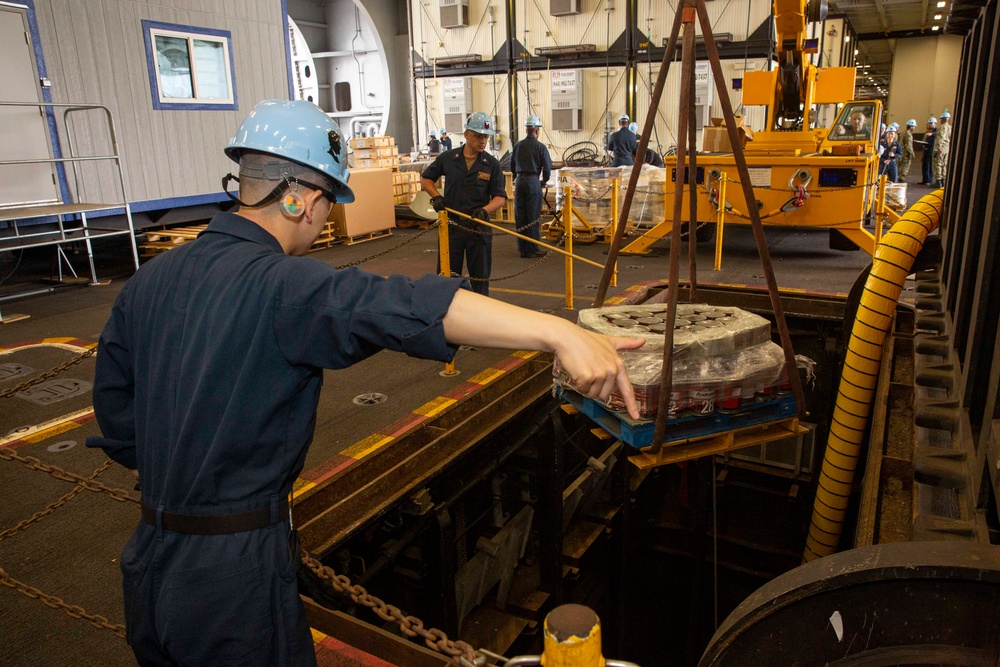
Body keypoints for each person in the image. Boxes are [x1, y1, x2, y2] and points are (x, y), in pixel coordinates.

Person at [86, 99, 642, 667]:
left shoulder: (146, 283)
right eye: (329, 203)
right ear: (302, 196)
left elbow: (121, 425)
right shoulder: (284, 285)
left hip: (151, 566)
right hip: (234, 582)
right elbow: (397, 305)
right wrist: (559, 333)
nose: (324, 220)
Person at [421, 111, 507, 296]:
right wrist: (436, 196)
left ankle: (480, 319)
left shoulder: (491, 164)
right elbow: (426, 178)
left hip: (478, 227)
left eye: (485, 137)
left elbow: (500, 197)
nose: (483, 141)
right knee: (447, 278)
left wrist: (485, 210)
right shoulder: (449, 159)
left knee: (480, 279)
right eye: (478, 136)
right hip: (452, 226)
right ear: (466, 134)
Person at [511, 114, 553, 258]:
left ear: (526, 130)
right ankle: (533, 248)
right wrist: (544, 181)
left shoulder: (518, 146)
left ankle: (523, 248)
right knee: (533, 216)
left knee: (521, 215)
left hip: (519, 182)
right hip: (533, 182)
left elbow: (511, 165)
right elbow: (547, 167)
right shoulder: (540, 147)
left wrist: (517, 177)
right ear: (537, 131)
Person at [933, 109, 951, 187]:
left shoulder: (942, 127)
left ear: (943, 119)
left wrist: (939, 147)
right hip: (946, 148)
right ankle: (943, 180)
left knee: (938, 164)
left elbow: (940, 138)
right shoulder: (950, 127)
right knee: (944, 164)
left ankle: (938, 181)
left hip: (941, 148)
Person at [921, 117, 937, 186]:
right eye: (929, 123)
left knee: (929, 166)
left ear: (935, 124)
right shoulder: (928, 132)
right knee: (924, 165)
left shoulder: (936, 131)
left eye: (931, 123)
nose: (930, 125)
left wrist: (932, 134)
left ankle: (928, 180)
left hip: (931, 151)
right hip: (926, 150)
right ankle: (924, 180)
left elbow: (939, 135)